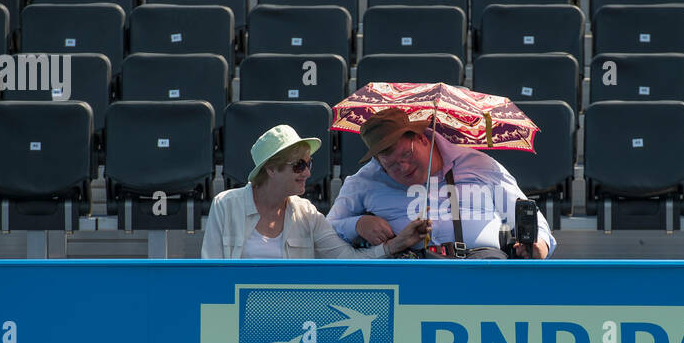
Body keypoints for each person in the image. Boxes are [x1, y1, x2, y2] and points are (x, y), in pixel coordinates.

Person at [327, 108, 556, 259]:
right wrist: (357, 224)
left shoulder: (479, 163)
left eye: (406, 155)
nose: (403, 168)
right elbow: (324, 232)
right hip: (408, 276)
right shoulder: (365, 180)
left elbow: (527, 213)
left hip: (484, 268)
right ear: (378, 161)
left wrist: (540, 244)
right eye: (392, 166)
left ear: (422, 138)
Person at [201, 124, 429, 259]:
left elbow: (346, 260)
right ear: (271, 169)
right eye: (299, 165)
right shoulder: (226, 204)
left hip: (294, 316)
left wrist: (396, 244)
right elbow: (209, 273)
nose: (308, 173)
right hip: (236, 315)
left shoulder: (306, 213)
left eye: (309, 164)